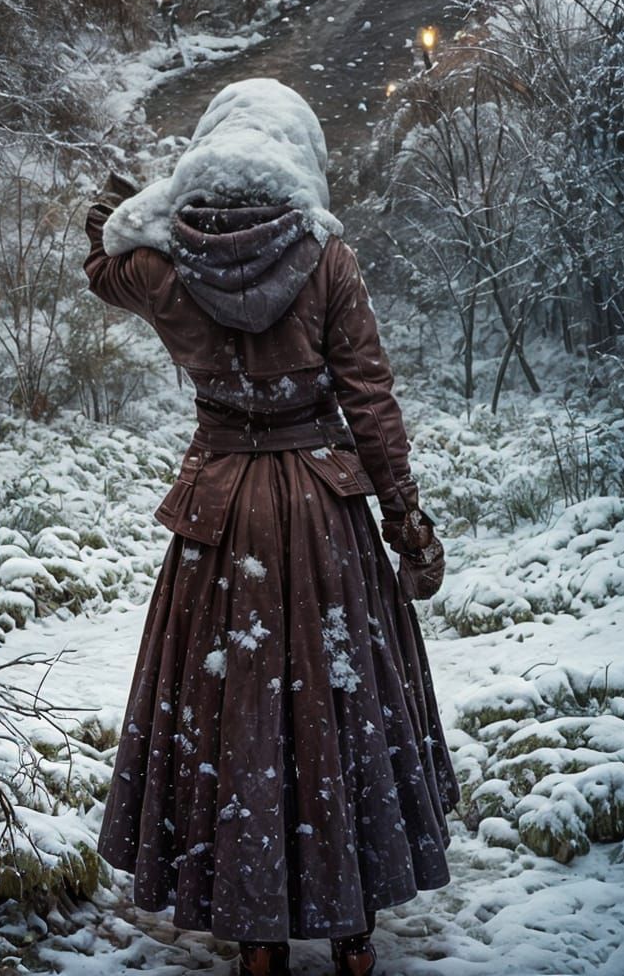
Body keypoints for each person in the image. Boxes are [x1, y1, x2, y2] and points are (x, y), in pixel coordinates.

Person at [84, 79, 458, 976]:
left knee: (236, 707)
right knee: (340, 702)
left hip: (223, 514)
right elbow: (370, 399)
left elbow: (101, 259)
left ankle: (254, 937)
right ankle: (351, 931)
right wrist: (405, 520)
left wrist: (128, 193)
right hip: (322, 511)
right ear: (296, 155)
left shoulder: (165, 262)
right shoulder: (328, 259)